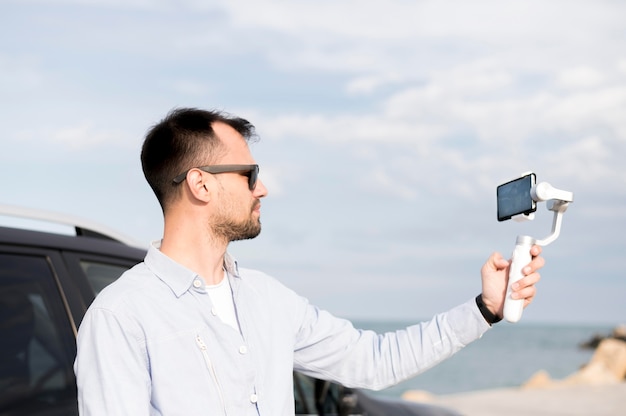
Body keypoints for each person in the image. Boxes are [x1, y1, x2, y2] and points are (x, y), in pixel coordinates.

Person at [74, 107, 544, 415]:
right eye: (249, 174)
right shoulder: (121, 317)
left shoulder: (268, 299)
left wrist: (485, 309)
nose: (262, 188)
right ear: (201, 184)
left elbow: (374, 361)